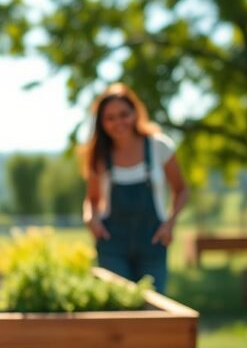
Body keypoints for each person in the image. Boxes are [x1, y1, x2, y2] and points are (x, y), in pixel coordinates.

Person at [81, 83, 188, 292]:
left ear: (135, 114)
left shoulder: (159, 146)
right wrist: (90, 218)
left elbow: (181, 189)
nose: (118, 122)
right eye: (110, 118)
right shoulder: (100, 155)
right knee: (119, 308)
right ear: (101, 123)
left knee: (153, 306)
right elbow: (92, 199)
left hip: (153, 241)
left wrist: (170, 223)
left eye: (124, 114)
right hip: (112, 244)